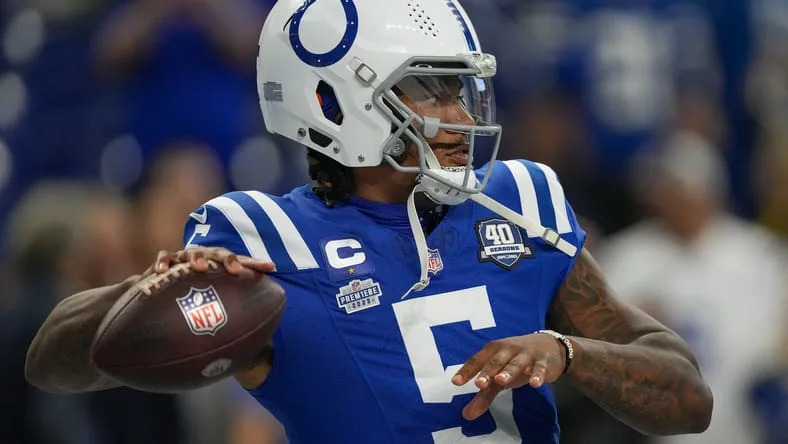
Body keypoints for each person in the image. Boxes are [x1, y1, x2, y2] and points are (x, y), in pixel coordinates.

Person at [25, 0, 713, 442]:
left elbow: (688, 400)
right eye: (431, 90)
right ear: (331, 102)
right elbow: (53, 362)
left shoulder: (519, 200)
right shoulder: (263, 239)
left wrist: (569, 353)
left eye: (463, 88)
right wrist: (149, 290)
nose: (462, 116)